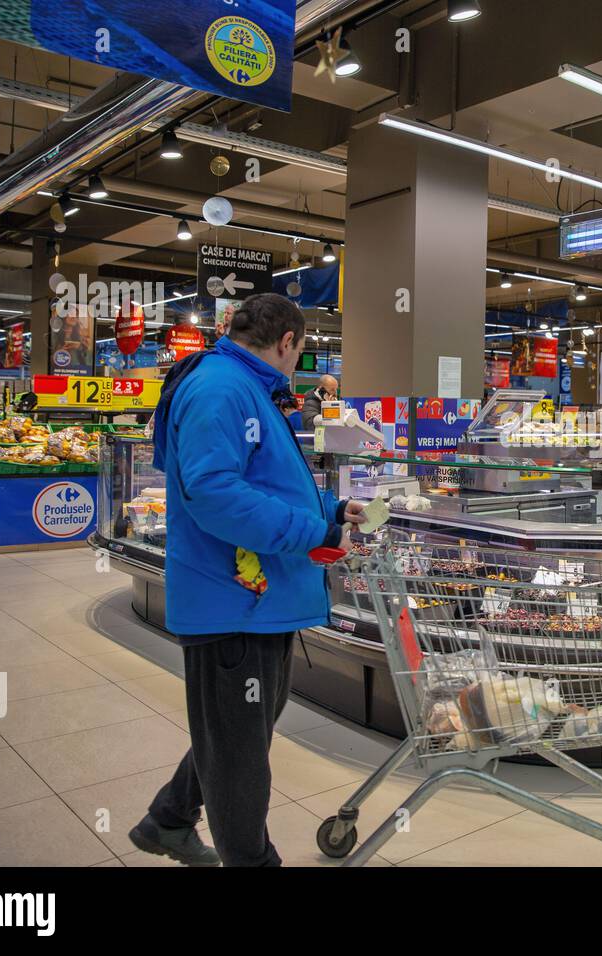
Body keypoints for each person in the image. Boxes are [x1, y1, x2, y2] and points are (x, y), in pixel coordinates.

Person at [129, 293, 368, 867]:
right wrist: (313, 535)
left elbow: (266, 480)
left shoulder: (244, 385)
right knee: (240, 753)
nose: (298, 361)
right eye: (301, 351)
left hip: (258, 597)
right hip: (232, 599)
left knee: (240, 727)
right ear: (287, 341)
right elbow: (215, 494)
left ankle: (168, 820)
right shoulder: (222, 388)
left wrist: (330, 510)